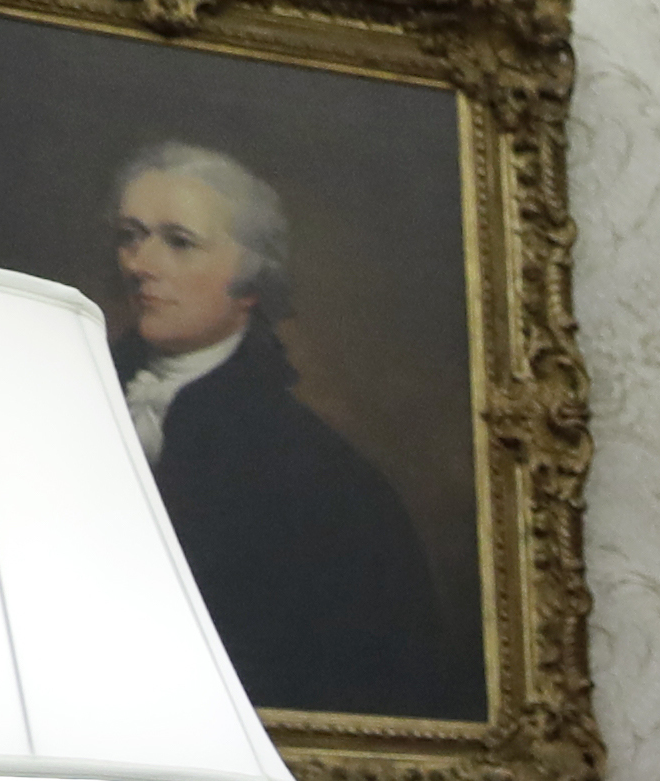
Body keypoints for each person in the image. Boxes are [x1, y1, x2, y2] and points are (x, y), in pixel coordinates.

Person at [112, 141, 465, 719]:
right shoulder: (66, 398)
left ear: (251, 283)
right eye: (130, 235)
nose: (138, 263)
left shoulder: (325, 481)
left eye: (178, 242)